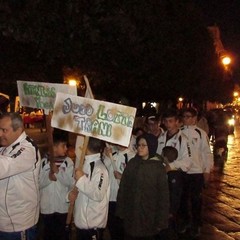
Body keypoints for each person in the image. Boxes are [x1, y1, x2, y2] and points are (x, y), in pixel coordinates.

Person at [116, 133, 169, 240]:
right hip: (131, 214)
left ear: (151, 146)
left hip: (149, 216)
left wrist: (161, 220)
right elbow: (123, 188)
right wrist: (121, 209)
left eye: (143, 145)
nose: (140, 148)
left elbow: (163, 196)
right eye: (138, 145)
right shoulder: (132, 163)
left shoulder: (158, 168)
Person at [0, 112, 41, 239]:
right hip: (4, 222)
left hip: (19, 225)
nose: (0, 134)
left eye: (4, 130)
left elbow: (3, 167)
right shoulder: (5, 148)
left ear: (18, 129)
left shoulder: (28, 149)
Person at [179, 108, 213, 238]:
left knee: (196, 199)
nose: (186, 119)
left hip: (197, 172)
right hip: (182, 171)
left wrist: (207, 170)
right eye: (184, 116)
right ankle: (185, 221)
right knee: (182, 198)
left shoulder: (201, 133)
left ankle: (196, 223)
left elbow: (206, 153)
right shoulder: (179, 132)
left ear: (194, 118)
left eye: (189, 117)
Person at [69, 137, 110, 240]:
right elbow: (76, 187)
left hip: (93, 226)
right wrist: (69, 195)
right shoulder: (82, 165)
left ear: (85, 147)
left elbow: (98, 194)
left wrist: (81, 179)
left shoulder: (100, 169)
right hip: (80, 224)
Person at [39, 129, 75, 240]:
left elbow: (71, 183)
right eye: (63, 146)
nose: (66, 149)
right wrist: (49, 177)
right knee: (48, 235)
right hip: (47, 209)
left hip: (62, 209)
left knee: (62, 236)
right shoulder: (44, 161)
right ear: (54, 147)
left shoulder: (68, 162)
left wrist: (58, 173)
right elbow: (38, 183)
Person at [104, 143, 136, 240]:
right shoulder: (112, 154)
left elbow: (137, 180)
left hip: (123, 199)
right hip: (109, 198)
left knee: (123, 228)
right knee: (112, 226)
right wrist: (107, 156)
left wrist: (122, 177)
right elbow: (103, 170)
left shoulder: (133, 157)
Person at [162, 146, 183, 231]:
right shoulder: (171, 171)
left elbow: (174, 194)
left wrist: (171, 211)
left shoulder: (173, 175)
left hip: (170, 209)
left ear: (165, 157)